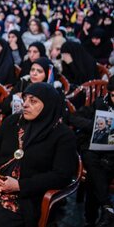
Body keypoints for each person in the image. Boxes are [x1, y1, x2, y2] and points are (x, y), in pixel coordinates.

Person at [0, 82, 77, 227]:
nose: (25, 105)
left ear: (48, 105)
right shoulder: (13, 121)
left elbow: (61, 176)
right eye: (25, 99)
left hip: (25, 195)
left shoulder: (63, 136)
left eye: (33, 101)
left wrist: (19, 185)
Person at [68, 76, 114, 226]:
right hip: (95, 149)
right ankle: (106, 207)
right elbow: (74, 118)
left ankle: (94, 217)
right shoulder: (101, 103)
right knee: (91, 156)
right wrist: (97, 126)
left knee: (98, 169)